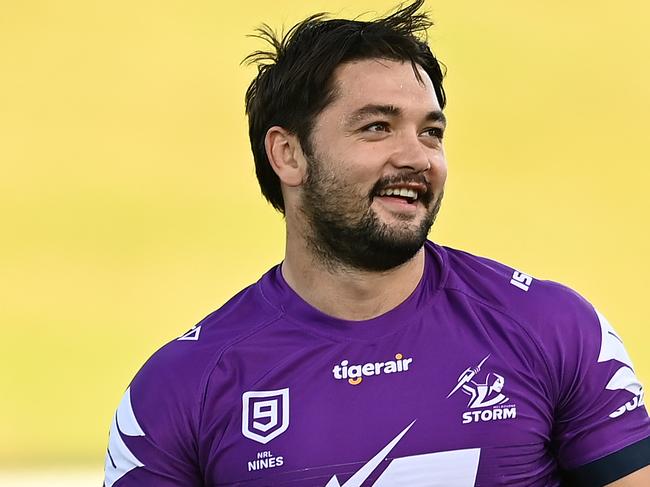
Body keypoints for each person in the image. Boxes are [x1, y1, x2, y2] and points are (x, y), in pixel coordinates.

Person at [103, 1, 650, 485]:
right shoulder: (181, 389)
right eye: (376, 127)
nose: (417, 156)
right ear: (288, 155)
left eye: (430, 131)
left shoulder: (552, 329)